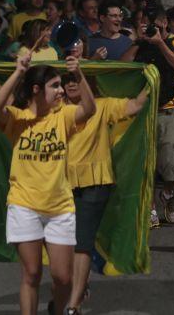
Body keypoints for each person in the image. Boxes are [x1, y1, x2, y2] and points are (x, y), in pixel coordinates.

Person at [0, 53, 94, 315]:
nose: (61, 91)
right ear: (37, 89)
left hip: (60, 207)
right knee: (32, 273)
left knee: (63, 279)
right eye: (54, 86)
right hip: (24, 205)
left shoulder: (64, 116)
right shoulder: (16, 118)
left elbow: (89, 109)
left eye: (61, 85)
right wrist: (18, 72)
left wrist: (79, 75)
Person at [60, 74, 148, 315]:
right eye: (66, 78)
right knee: (64, 244)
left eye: (76, 78)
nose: (70, 83)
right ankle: (77, 286)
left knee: (82, 242)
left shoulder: (103, 105)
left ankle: (73, 304)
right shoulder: (54, 109)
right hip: (60, 186)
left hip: (96, 185)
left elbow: (137, 105)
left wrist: (154, 77)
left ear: (87, 82)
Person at [121, 10, 174, 227]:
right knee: (145, 163)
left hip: (168, 110)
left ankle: (168, 194)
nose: (152, 24)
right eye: (146, 21)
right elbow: (123, 65)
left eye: (157, 21)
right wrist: (139, 42)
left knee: (170, 164)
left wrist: (160, 43)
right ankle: (150, 208)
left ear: (165, 22)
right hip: (144, 111)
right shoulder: (141, 44)